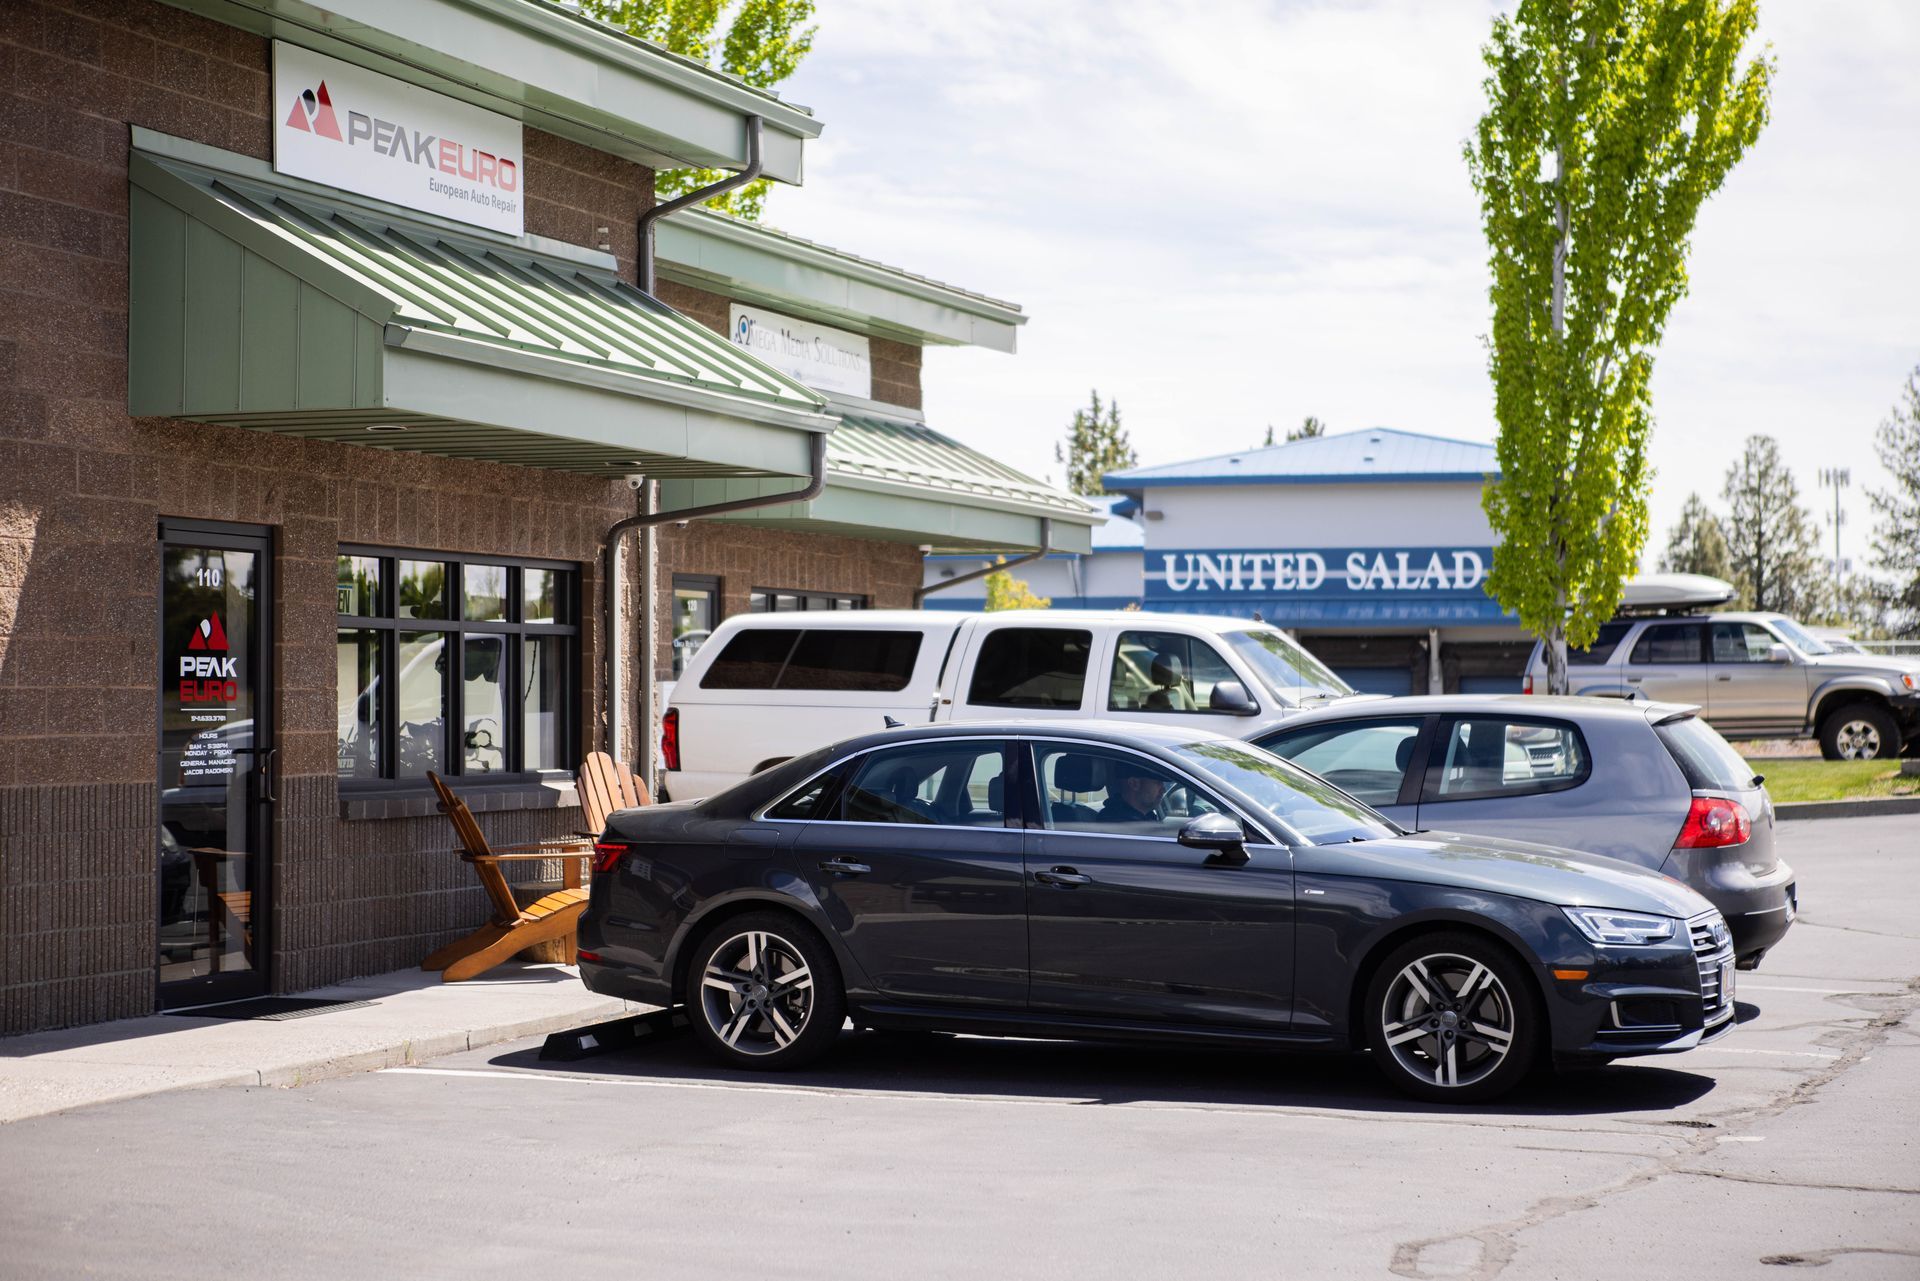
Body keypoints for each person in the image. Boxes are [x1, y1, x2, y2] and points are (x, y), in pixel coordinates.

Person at [1098, 762, 1170, 827]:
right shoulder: (1116, 824)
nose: (1163, 790)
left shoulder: (1145, 816)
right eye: (1158, 783)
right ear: (1134, 784)